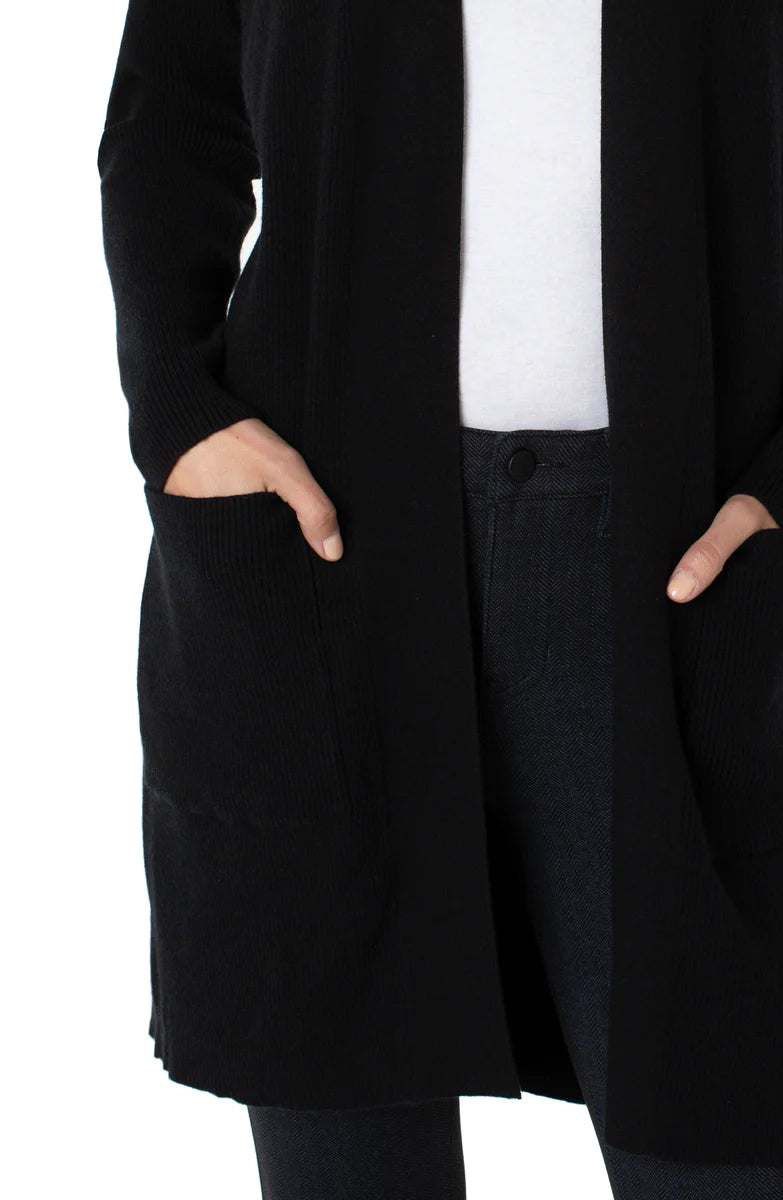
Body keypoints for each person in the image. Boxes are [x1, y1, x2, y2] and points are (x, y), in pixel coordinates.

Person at [97, 0, 783, 1196]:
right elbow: (170, 113)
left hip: (692, 570)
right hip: (322, 557)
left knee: (721, 1115)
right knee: (340, 1116)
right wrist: (180, 409)